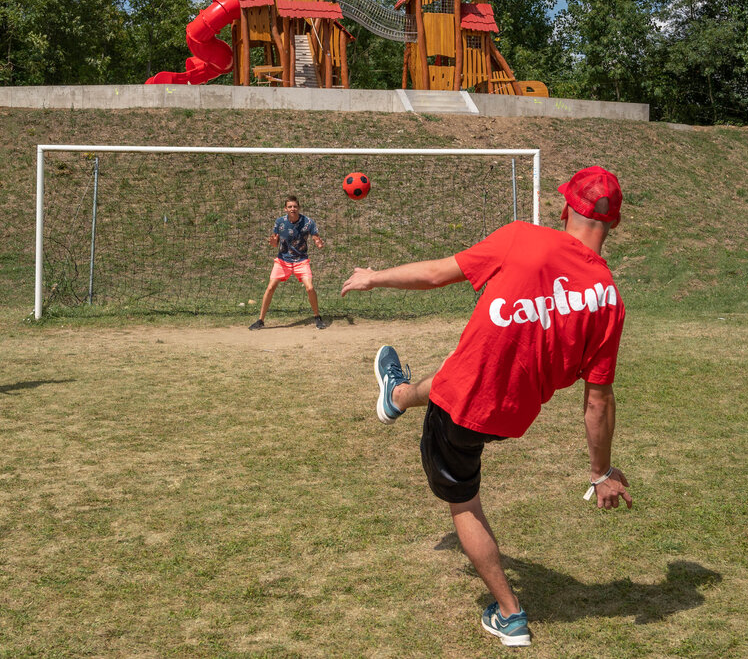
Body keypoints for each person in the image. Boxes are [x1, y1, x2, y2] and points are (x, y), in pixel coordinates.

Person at [340, 166, 633, 648]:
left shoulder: (524, 237)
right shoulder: (610, 299)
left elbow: (437, 274)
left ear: (565, 208)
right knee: (453, 373)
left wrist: (374, 278)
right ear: (613, 225)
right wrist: (600, 472)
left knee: (464, 503)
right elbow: (598, 400)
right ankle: (395, 397)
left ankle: (511, 614)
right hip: (512, 414)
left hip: (463, 410)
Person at [249, 195, 326, 330]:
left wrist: (318, 243)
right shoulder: (280, 222)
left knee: (310, 288)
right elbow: (274, 241)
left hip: (301, 261)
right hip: (282, 261)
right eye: (290, 207)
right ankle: (260, 320)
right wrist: (273, 242)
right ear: (285, 209)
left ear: (299, 208)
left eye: (295, 206)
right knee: (270, 287)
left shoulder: (308, 222)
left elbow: (316, 238)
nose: (293, 209)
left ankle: (317, 317)